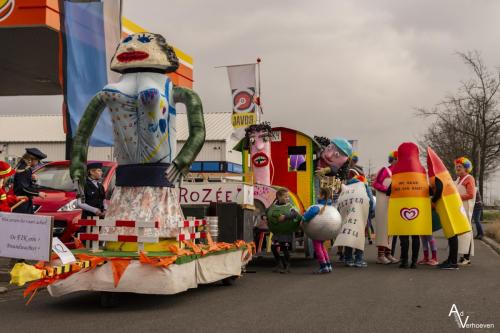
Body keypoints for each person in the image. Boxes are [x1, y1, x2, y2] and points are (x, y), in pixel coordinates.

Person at [373, 151, 399, 264]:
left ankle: (389, 254)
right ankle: (381, 255)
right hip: (383, 202)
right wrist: (387, 190)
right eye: (398, 159)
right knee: (383, 228)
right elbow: (375, 184)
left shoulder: (399, 173)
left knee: (391, 228)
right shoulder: (385, 170)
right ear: (393, 159)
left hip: (393, 203)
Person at [267, 189, 301, 274]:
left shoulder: (290, 206)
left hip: (286, 232)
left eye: (288, 196)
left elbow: (295, 214)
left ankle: (287, 266)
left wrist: (285, 216)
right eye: (285, 196)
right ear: (278, 197)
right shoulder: (273, 206)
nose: (287, 198)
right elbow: (267, 211)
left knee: (284, 248)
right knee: (273, 247)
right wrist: (264, 216)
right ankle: (279, 263)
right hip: (277, 232)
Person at [302, 187, 334, 274]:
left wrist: (303, 218)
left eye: (319, 194)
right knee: (322, 247)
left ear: (323, 196)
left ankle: (323, 265)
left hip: (317, 231)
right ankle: (328, 265)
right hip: (325, 231)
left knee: (318, 248)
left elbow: (308, 215)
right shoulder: (329, 205)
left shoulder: (316, 207)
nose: (317, 195)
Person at [454, 157, 476, 266]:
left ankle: (467, 258)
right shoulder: (458, 179)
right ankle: (462, 256)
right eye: (456, 166)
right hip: (459, 209)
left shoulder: (469, 178)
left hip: (466, 209)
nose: (457, 168)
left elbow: (471, 194)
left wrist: (457, 197)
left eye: (460, 166)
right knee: (460, 233)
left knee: (466, 232)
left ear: (466, 168)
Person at [13, 148, 47, 214]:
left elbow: (26, 184)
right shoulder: (24, 169)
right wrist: (38, 193)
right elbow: (23, 188)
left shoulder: (25, 167)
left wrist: (33, 180)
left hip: (23, 202)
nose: (38, 163)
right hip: (22, 203)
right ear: (31, 159)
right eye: (37, 160)